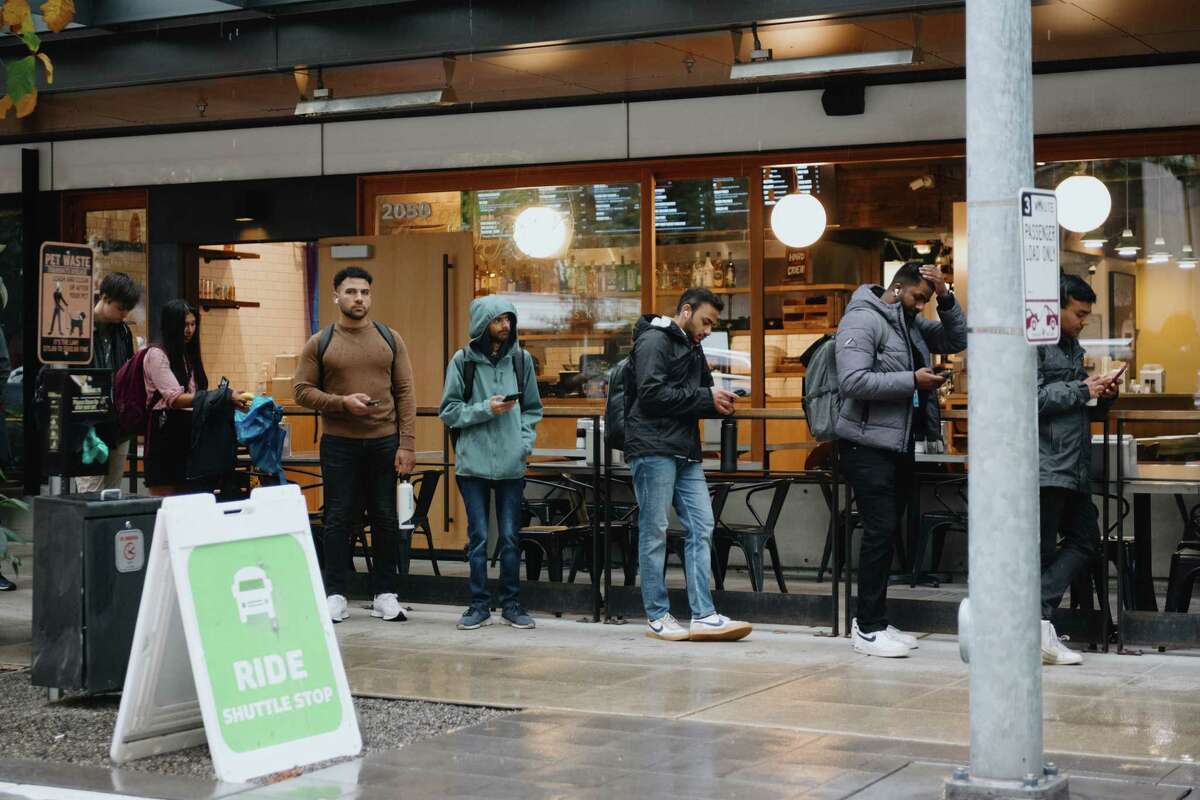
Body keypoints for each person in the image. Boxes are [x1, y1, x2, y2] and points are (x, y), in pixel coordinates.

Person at [835, 263, 967, 657]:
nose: (921, 306)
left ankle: (875, 619)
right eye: (918, 297)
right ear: (897, 288)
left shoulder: (907, 324)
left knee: (887, 532)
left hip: (896, 443)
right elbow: (852, 381)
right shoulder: (863, 319)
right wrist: (912, 380)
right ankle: (866, 627)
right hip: (865, 443)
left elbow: (956, 339)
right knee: (879, 531)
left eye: (927, 301)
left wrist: (945, 296)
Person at [623, 287, 751, 642]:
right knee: (654, 531)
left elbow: (698, 394)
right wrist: (703, 397)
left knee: (703, 526)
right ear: (686, 310)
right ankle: (657, 615)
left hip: (684, 450)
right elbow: (650, 394)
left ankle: (704, 614)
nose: (709, 329)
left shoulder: (692, 346)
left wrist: (717, 400)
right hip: (652, 447)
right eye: (706, 321)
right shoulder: (654, 341)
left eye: (713, 324)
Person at [294, 266, 417, 625]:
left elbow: (406, 392)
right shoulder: (321, 341)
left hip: (384, 442)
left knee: (385, 518)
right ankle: (334, 595)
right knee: (337, 519)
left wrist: (406, 444)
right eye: (350, 292)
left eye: (364, 292)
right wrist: (341, 402)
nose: (358, 298)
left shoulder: (389, 338)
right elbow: (301, 391)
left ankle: (385, 594)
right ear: (336, 296)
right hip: (339, 443)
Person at [438, 296, 543, 631]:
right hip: (473, 464)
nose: (505, 326)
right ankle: (478, 605)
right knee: (480, 536)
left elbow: (532, 409)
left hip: (512, 463)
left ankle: (512, 604)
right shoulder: (462, 361)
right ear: (483, 323)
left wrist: (523, 445)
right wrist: (485, 408)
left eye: (509, 320)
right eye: (498, 320)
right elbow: (449, 410)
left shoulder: (521, 360)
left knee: (511, 536)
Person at [1037, 275, 1117, 666]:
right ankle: (1036, 623)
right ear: (1058, 307)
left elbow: (1070, 401)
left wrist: (1099, 394)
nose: (1084, 321)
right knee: (1043, 549)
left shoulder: (1071, 346)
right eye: (1079, 313)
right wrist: (1083, 390)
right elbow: (1027, 397)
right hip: (1045, 462)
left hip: (1071, 462)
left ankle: (1035, 620)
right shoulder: (1035, 344)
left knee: (1085, 538)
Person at [142, 299, 249, 496]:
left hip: (187, 432)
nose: (189, 330)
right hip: (164, 433)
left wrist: (223, 398)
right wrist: (221, 396)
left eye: (193, 324)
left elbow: (195, 394)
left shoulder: (186, 355)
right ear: (171, 325)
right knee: (164, 503)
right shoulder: (156, 354)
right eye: (184, 325)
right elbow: (175, 399)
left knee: (188, 501)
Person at [75, 272, 141, 493]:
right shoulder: (81, 327)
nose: (124, 314)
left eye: (127, 310)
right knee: (89, 488)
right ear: (105, 297)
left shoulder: (123, 331)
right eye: (120, 308)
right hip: (89, 421)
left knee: (112, 490)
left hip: (118, 422)